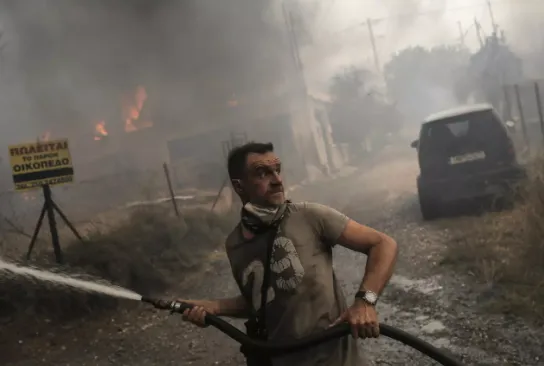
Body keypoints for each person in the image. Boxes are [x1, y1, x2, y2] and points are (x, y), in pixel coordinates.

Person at [179, 142, 398, 366]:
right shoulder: (234, 244)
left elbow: (383, 244)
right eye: (262, 173)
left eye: (277, 170)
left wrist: (365, 302)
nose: (277, 180)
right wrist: (213, 308)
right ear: (239, 186)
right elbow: (264, 301)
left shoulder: (309, 216)